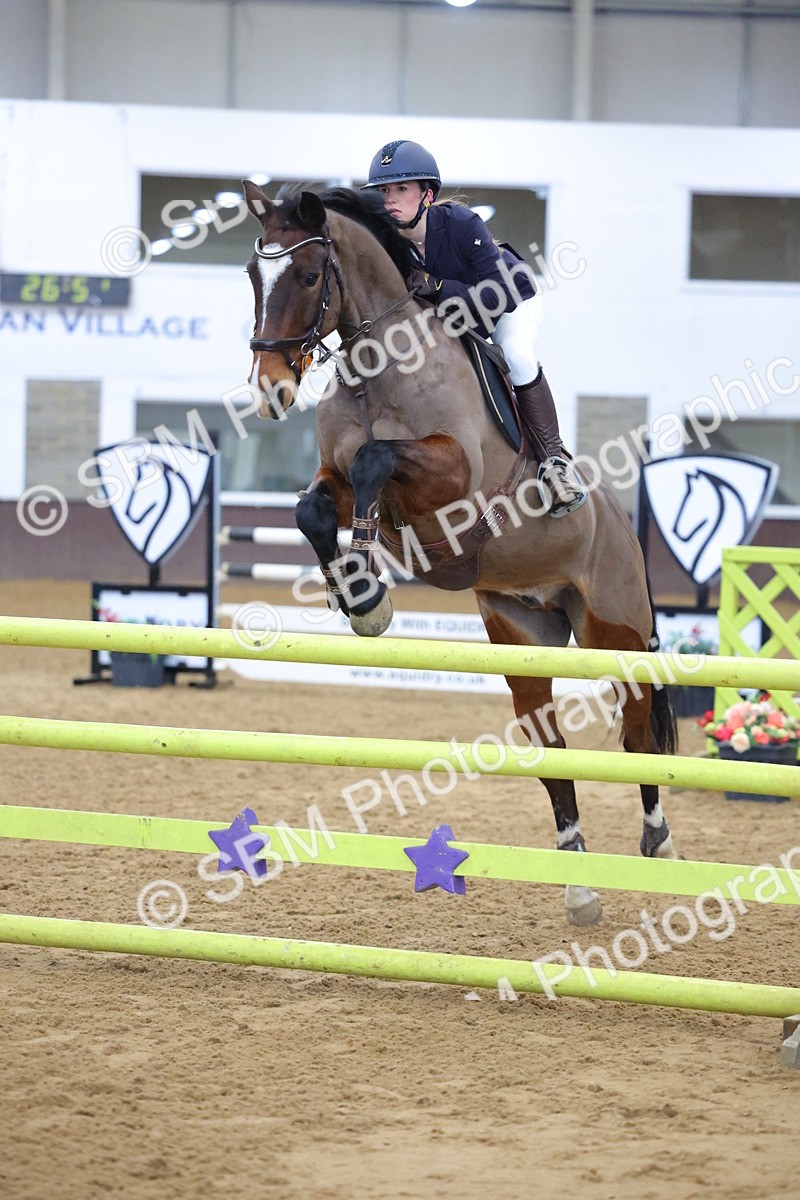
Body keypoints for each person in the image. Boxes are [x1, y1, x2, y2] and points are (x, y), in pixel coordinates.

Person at [362, 139, 586, 518]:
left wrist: (437, 287)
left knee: (516, 355)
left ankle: (554, 462)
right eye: (384, 191)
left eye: (402, 189)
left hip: (508, 307)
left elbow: (499, 294)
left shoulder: (461, 223)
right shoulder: (387, 246)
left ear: (428, 195)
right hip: (455, 322)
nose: (390, 199)